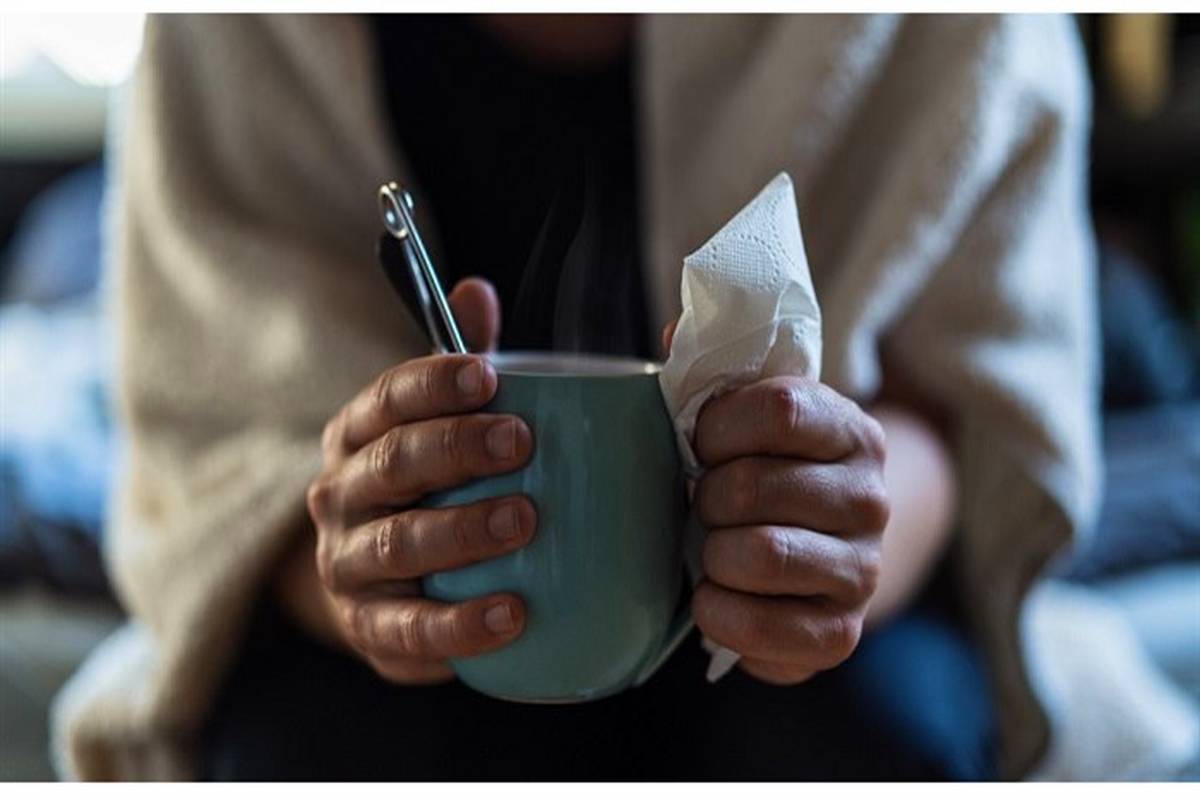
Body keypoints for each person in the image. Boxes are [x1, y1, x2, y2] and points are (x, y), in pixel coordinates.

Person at [51, 14, 1099, 780]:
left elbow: (968, 393)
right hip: (385, 665)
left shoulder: (938, 28)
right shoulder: (231, 36)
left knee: (871, 735)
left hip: (816, 646)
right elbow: (217, 444)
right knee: (312, 750)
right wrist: (357, 571)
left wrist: (832, 543)